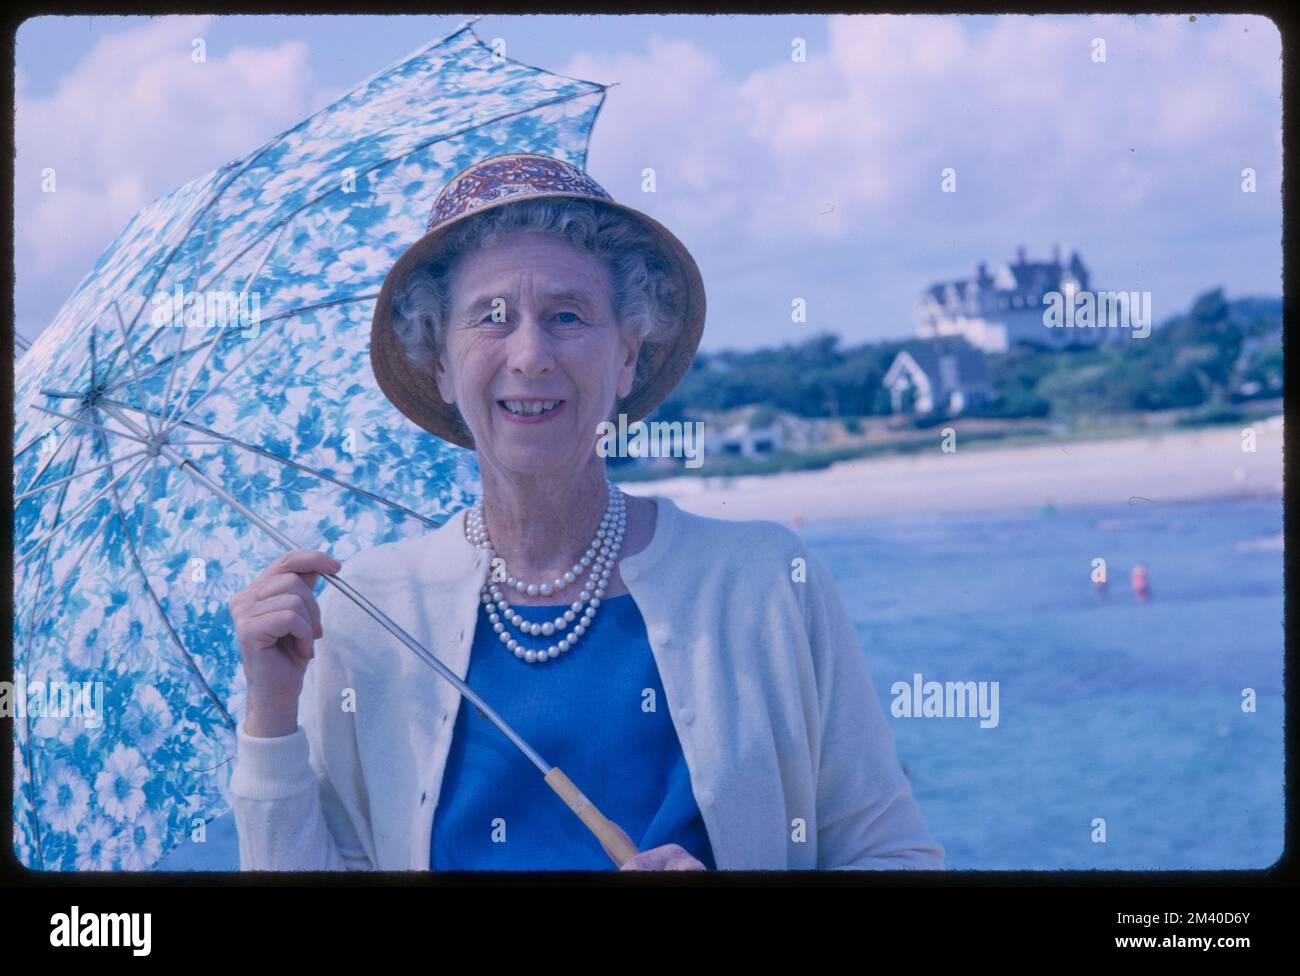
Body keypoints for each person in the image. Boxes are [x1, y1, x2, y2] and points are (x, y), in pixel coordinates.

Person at [227, 152, 944, 871]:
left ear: (627, 355)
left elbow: (894, 854)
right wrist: (270, 716)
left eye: (567, 315)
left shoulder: (766, 581)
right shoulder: (368, 613)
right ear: (440, 364)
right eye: (491, 318)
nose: (531, 354)